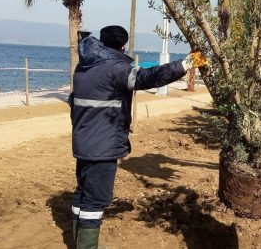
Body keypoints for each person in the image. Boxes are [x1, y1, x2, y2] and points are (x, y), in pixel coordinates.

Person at [68, 26, 205, 249]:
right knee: (95, 201)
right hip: (102, 148)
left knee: (82, 194)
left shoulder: (84, 66)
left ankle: (77, 242)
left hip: (83, 144)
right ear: (123, 46)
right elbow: (148, 77)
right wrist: (187, 64)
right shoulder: (116, 68)